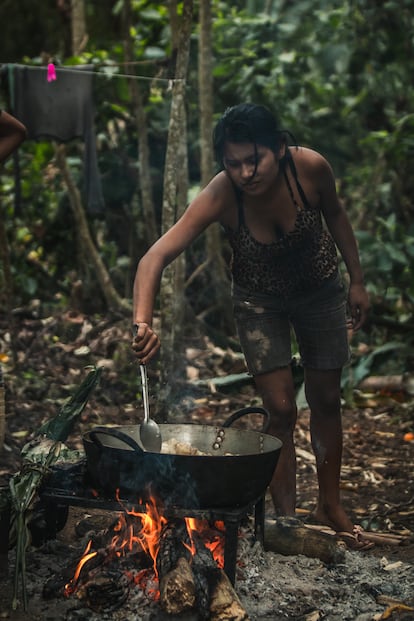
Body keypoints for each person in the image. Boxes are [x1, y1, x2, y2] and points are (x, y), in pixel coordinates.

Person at [132, 103, 371, 549]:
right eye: (233, 163)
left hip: (320, 290)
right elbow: (154, 258)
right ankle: (286, 520)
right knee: (280, 410)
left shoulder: (311, 168)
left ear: (278, 147)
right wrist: (142, 323)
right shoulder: (222, 195)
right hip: (258, 302)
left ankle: (330, 504)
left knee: (325, 398)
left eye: (253, 159)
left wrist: (357, 280)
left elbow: (336, 215)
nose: (245, 172)